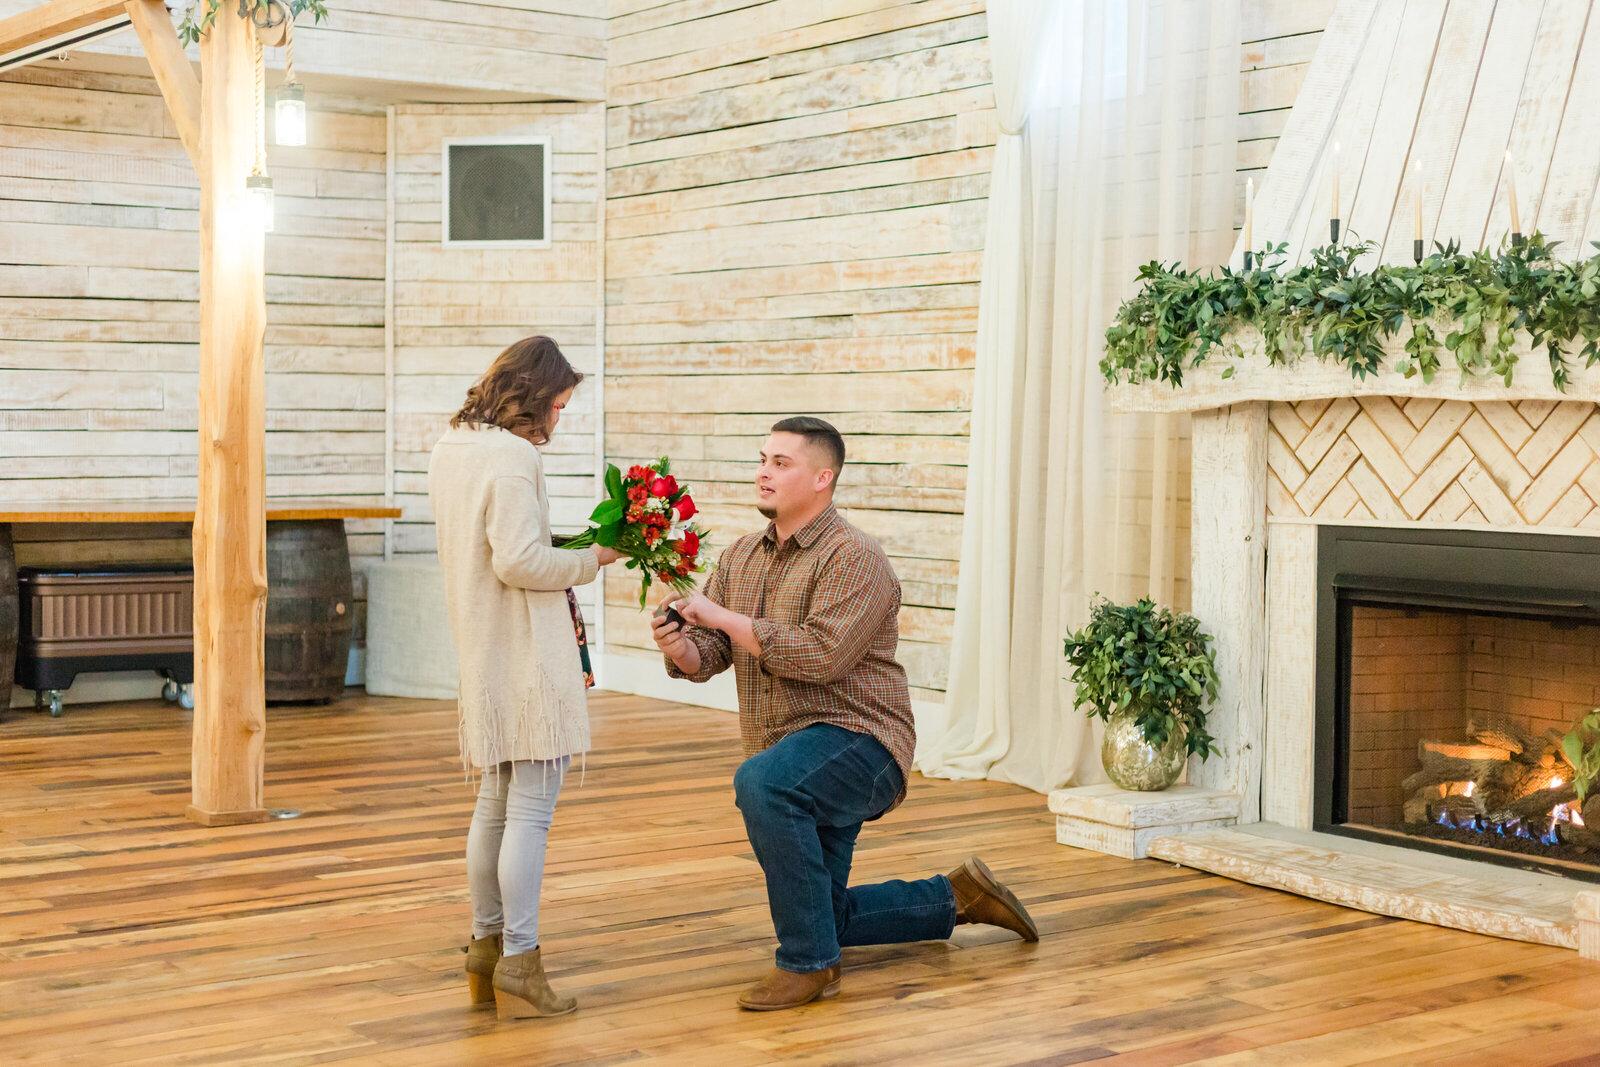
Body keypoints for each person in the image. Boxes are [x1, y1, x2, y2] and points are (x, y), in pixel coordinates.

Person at [651, 416, 1038, 1012]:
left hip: (862, 742)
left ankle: (809, 966)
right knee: (821, 913)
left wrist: (721, 617)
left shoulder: (855, 557)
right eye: (762, 459)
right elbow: (713, 653)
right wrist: (680, 646)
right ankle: (956, 897)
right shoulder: (740, 557)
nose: (763, 472)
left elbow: (822, 656)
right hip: (789, 748)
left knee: (763, 785)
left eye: (781, 463)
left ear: (823, 478)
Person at [428, 336, 620, 1020]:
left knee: (495, 802)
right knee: (530, 811)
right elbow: (517, 561)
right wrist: (594, 559)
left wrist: (562, 544)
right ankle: (521, 956)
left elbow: (496, 548)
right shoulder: (512, 456)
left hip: (483, 646)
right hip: (526, 651)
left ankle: (485, 949)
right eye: (558, 405)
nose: (558, 418)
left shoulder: (453, 446)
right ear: (533, 395)